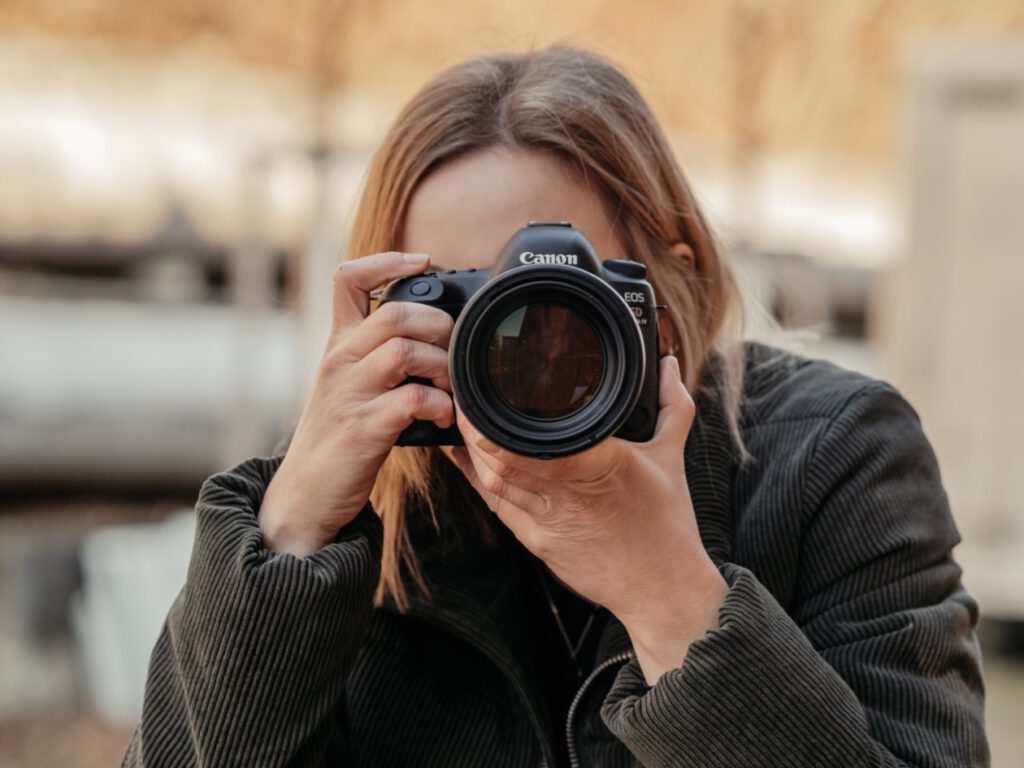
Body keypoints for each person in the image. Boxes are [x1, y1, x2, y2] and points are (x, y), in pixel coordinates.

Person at [123, 47, 988, 767]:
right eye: (464, 307)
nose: (515, 348)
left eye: (553, 299)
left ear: (672, 283)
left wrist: (672, 598)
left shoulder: (835, 458)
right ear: (391, 314)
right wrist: (287, 540)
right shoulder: (374, 505)